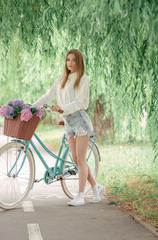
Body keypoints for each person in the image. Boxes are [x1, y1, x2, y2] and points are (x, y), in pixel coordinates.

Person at [33, 49, 105, 206]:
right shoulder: (61, 79)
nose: (70, 63)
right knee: (75, 159)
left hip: (79, 121)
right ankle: (96, 187)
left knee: (80, 160)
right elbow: (48, 96)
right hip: (68, 122)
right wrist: (31, 107)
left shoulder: (83, 79)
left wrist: (62, 108)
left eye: (73, 60)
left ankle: (80, 196)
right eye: (68, 60)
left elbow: (80, 103)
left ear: (79, 62)